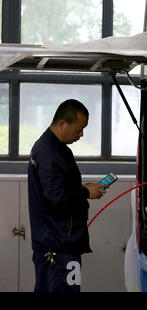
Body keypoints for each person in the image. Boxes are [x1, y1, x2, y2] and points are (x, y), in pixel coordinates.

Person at [28, 99, 107, 292]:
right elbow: (56, 197)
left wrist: (83, 189)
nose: (81, 134)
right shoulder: (48, 152)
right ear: (62, 123)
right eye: (79, 129)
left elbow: (59, 187)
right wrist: (86, 191)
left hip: (58, 244)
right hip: (58, 248)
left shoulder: (56, 149)